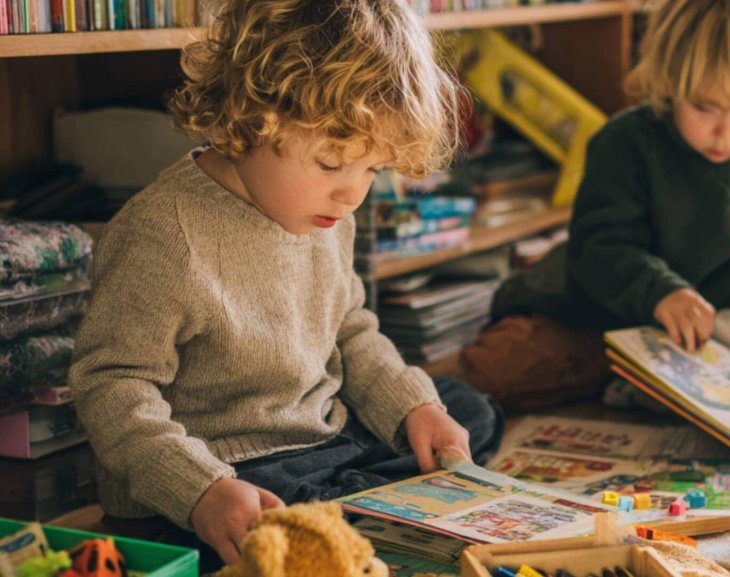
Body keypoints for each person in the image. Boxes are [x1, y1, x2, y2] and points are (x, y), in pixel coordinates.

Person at [69, 0, 502, 569]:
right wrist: (200, 490)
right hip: (226, 469)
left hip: (320, 437)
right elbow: (112, 386)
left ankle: (345, 510)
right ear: (251, 119)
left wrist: (413, 408)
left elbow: (350, 330)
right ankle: (344, 513)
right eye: (331, 163)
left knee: (464, 411)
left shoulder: (325, 213)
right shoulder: (162, 234)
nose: (353, 194)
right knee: (286, 513)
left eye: (372, 169)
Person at [461, 0, 730, 412]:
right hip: (618, 317)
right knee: (495, 368)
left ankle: (649, 381)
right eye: (706, 107)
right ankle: (638, 376)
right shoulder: (624, 141)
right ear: (670, 81)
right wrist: (661, 293)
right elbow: (601, 248)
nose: (726, 132)